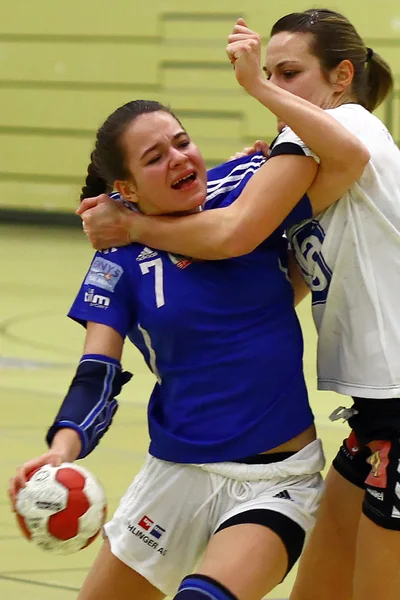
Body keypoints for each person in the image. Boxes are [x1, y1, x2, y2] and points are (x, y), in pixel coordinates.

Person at [7, 39, 369, 599]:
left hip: (274, 481)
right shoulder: (117, 265)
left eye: (182, 142)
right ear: (123, 189)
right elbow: (96, 375)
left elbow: (342, 161)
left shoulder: (249, 186)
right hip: (174, 474)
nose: (179, 158)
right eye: (154, 158)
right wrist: (60, 452)